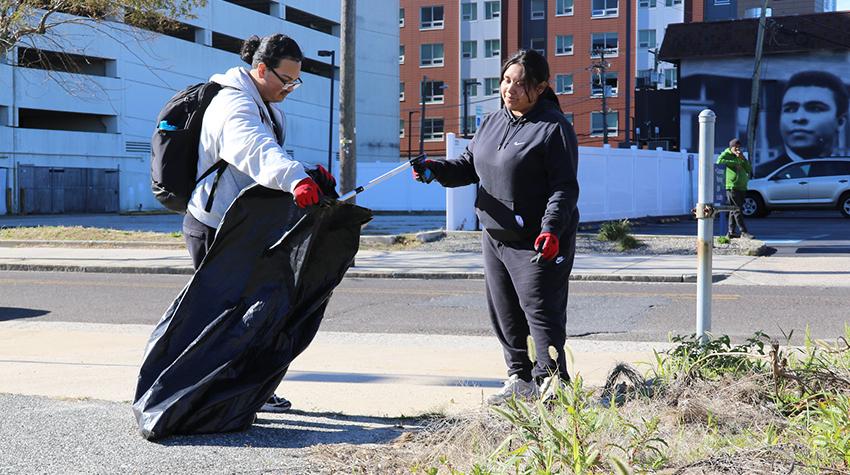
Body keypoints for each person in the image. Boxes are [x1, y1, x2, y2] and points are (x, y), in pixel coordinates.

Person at [412, 49, 579, 404]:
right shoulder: (492, 121)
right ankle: (519, 378)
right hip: (495, 235)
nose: (510, 89)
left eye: (521, 83)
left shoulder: (553, 128)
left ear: (541, 87)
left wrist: (551, 228)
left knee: (540, 309)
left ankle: (552, 382)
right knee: (504, 310)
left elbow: (564, 186)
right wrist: (435, 170)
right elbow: (469, 166)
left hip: (537, 239)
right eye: (506, 81)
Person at [183, 33, 333, 413]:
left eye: (297, 81)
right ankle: (212, 397)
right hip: (214, 227)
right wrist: (294, 179)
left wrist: (307, 172)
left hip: (240, 228)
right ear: (261, 69)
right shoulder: (233, 103)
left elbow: (272, 155)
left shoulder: (265, 103)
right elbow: (253, 149)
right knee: (224, 317)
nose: (291, 89)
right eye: (286, 80)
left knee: (252, 312)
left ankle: (248, 390)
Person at [755, 70, 849, 177]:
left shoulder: (845, 173)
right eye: (790, 109)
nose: (799, 118)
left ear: (840, 122)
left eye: (815, 108)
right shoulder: (762, 176)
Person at [717, 138, 753, 239]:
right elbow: (719, 161)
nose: (737, 149)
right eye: (735, 147)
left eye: (739, 147)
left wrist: (743, 158)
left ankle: (731, 232)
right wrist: (734, 162)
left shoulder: (740, 156)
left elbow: (749, 169)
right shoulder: (726, 154)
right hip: (732, 187)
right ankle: (744, 232)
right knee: (737, 209)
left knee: (734, 209)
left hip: (741, 186)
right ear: (731, 147)